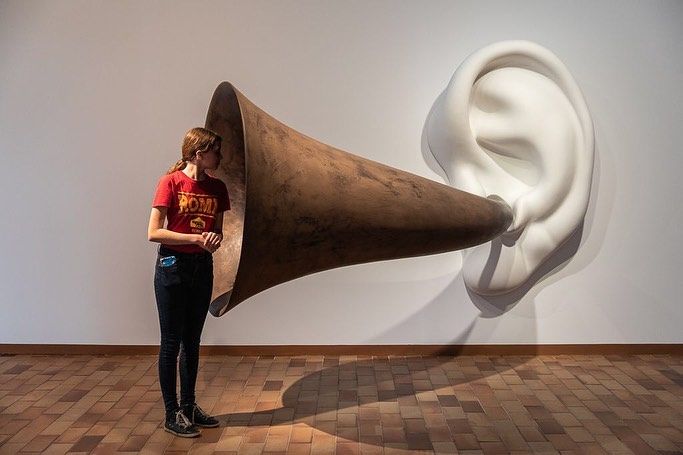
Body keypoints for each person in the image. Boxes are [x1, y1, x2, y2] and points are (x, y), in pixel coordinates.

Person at [147, 127, 230, 437]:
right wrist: (195, 238)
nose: (220, 156)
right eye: (216, 151)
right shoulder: (169, 182)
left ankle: (189, 406)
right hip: (172, 266)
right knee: (171, 343)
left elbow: (218, 231)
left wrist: (213, 239)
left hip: (201, 267)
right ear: (199, 154)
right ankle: (172, 413)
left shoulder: (218, 188)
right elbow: (154, 232)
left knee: (192, 343)